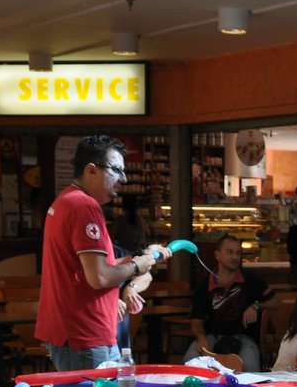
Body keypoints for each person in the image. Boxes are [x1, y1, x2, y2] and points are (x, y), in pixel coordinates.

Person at [37, 136, 168, 373]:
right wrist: (138, 266)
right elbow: (99, 277)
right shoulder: (84, 207)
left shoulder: (67, 199)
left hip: (79, 329)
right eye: (116, 170)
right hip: (84, 331)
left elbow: (90, 268)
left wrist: (139, 257)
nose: (124, 179)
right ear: (91, 171)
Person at [183, 234, 279, 372]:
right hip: (211, 337)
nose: (235, 257)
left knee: (250, 366)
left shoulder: (250, 279)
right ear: (217, 255)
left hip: (244, 338)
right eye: (230, 252)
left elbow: (277, 302)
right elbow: (196, 322)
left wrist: (256, 305)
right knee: (190, 361)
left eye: (238, 253)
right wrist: (201, 338)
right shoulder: (205, 284)